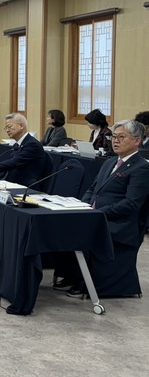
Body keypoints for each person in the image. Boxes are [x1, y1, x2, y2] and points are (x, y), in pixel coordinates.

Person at [59, 120, 149, 298]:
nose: (115, 141)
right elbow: (93, 188)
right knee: (64, 226)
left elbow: (131, 203)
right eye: (113, 137)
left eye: (121, 137)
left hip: (118, 222)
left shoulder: (142, 167)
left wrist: (99, 214)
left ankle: (85, 282)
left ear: (137, 140)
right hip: (96, 215)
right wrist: (84, 206)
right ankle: (73, 275)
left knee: (80, 231)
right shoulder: (110, 162)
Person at [0, 113, 46, 186]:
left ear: (21, 126)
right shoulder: (16, 144)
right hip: (13, 182)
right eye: (6, 128)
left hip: (26, 185)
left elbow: (14, 162)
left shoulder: (32, 144)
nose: (7, 130)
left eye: (9, 127)